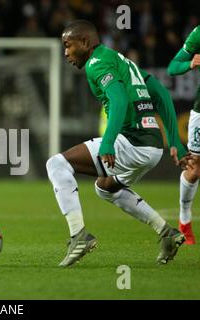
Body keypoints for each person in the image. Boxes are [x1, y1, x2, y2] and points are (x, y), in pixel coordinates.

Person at [46, 20, 187, 267]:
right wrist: (174, 140)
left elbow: (119, 100)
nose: (66, 53)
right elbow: (162, 94)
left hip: (131, 142)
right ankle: (166, 233)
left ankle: (78, 235)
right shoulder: (120, 60)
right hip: (151, 146)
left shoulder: (97, 63)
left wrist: (108, 143)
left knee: (57, 164)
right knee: (105, 187)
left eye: (68, 46)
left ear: (85, 43)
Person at [167, 25, 200, 245]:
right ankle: (185, 221)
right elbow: (172, 67)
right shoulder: (198, 34)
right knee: (195, 167)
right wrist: (190, 63)